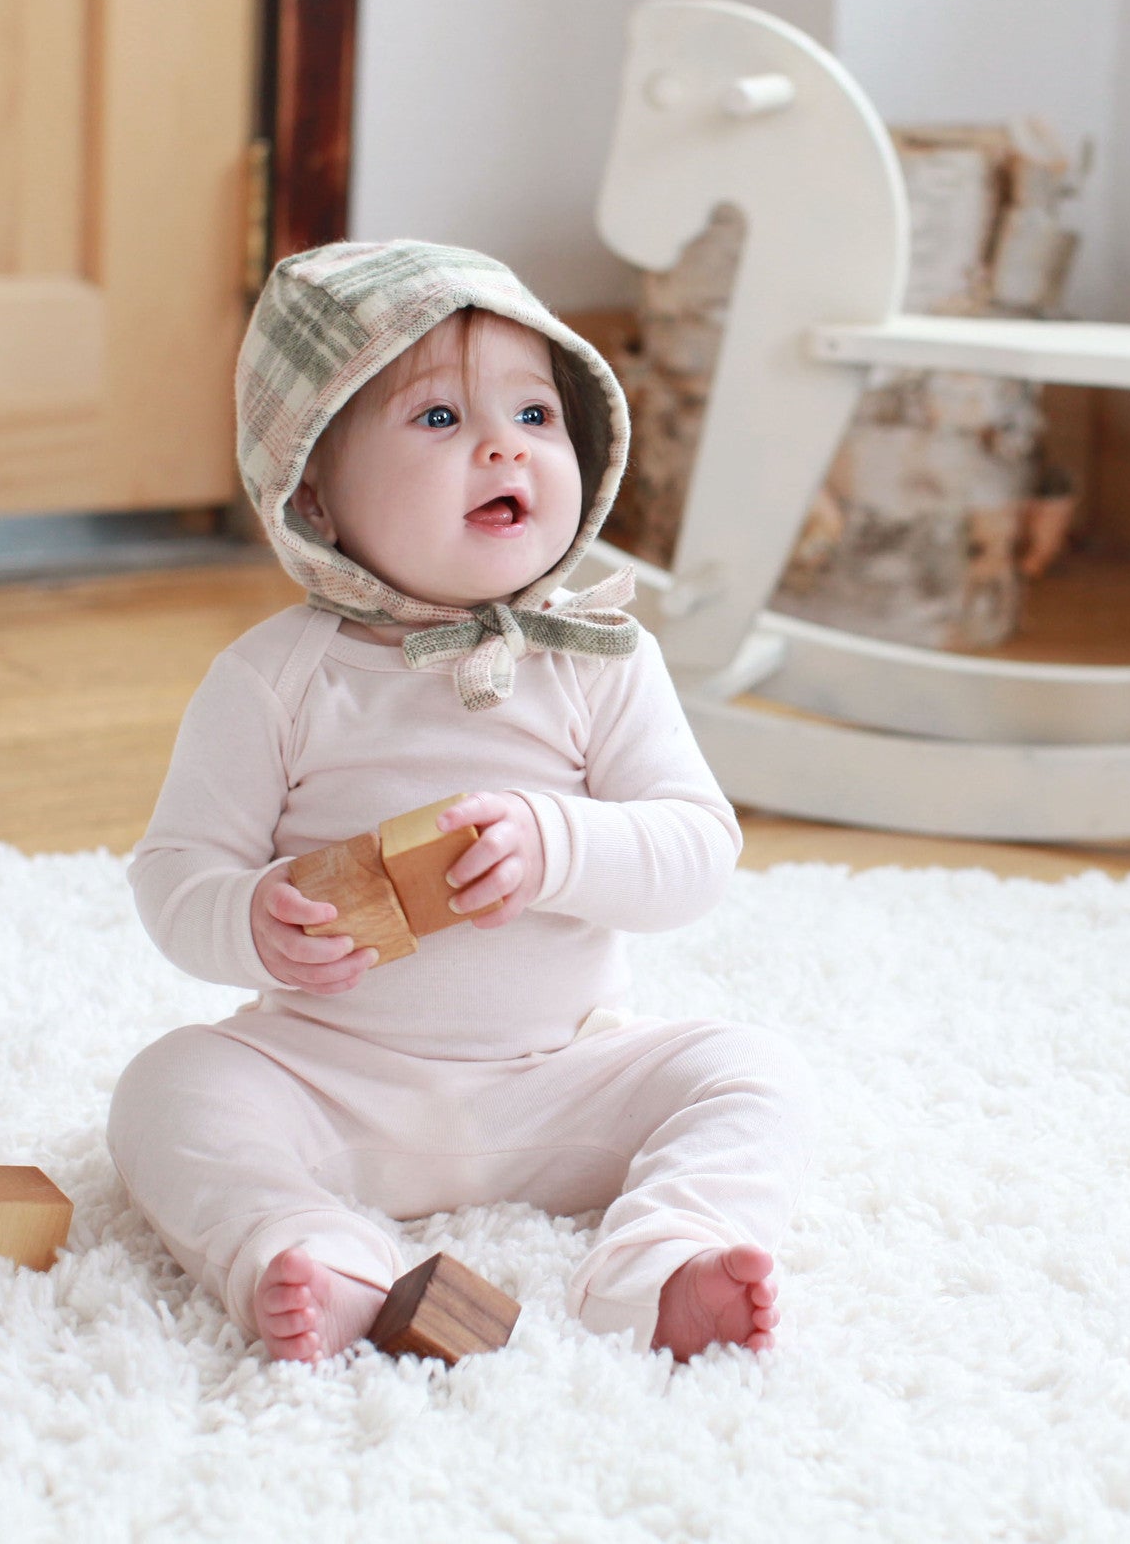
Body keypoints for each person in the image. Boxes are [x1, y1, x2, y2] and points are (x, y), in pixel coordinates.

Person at [107, 240, 820, 1365]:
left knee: (751, 1072)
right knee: (167, 1089)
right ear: (313, 496)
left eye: (535, 414)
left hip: (562, 1081)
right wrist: (250, 917)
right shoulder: (275, 678)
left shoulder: (599, 657)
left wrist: (559, 846)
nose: (504, 446)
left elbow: (695, 851)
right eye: (439, 418)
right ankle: (308, 1247)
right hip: (332, 1081)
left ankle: (664, 1261)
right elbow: (173, 873)